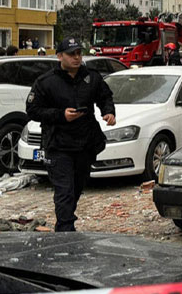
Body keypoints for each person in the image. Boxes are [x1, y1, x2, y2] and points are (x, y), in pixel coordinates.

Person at [26, 37, 116, 232]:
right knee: (64, 191)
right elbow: (33, 110)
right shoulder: (46, 81)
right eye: (71, 54)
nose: (76, 57)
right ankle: (65, 231)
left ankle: (66, 222)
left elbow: (105, 96)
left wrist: (108, 112)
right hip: (59, 145)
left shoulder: (91, 77)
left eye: (78, 53)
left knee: (76, 188)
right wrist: (61, 115)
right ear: (60, 56)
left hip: (85, 144)